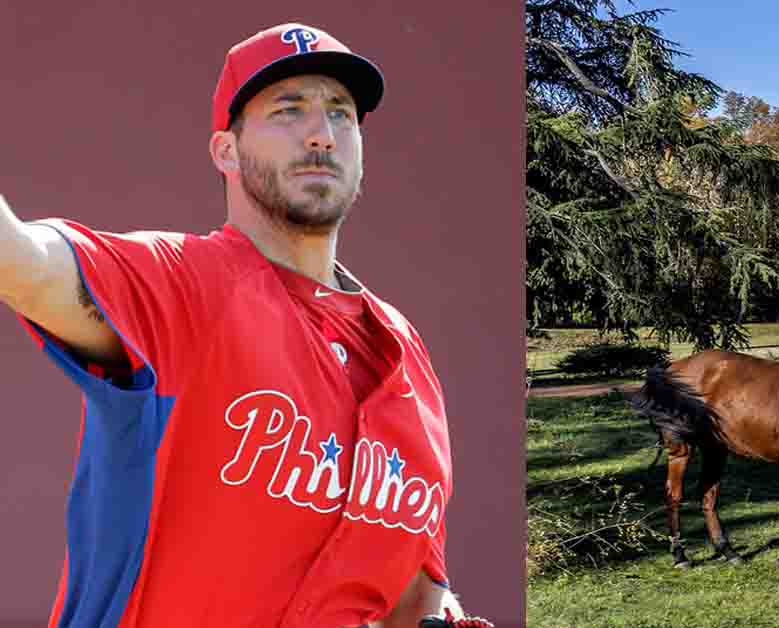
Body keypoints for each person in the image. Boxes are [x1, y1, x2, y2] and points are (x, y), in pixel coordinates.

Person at [0, 23, 493, 628]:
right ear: (226, 151)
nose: (321, 134)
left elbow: (412, 589)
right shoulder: (179, 285)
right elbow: (21, 262)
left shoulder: (403, 348)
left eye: (341, 113)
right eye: (288, 111)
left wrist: (442, 614)